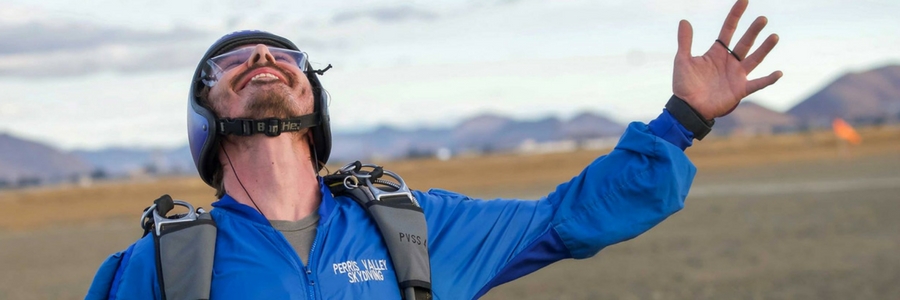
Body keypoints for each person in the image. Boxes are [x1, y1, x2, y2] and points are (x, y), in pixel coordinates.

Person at [86, 0, 781, 299]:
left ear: (315, 101)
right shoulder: (162, 265)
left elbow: (569, 218)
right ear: (203, 117)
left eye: (282, 54)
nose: (262, 55)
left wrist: (682, 119)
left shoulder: (413, 227)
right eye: (231, 62)